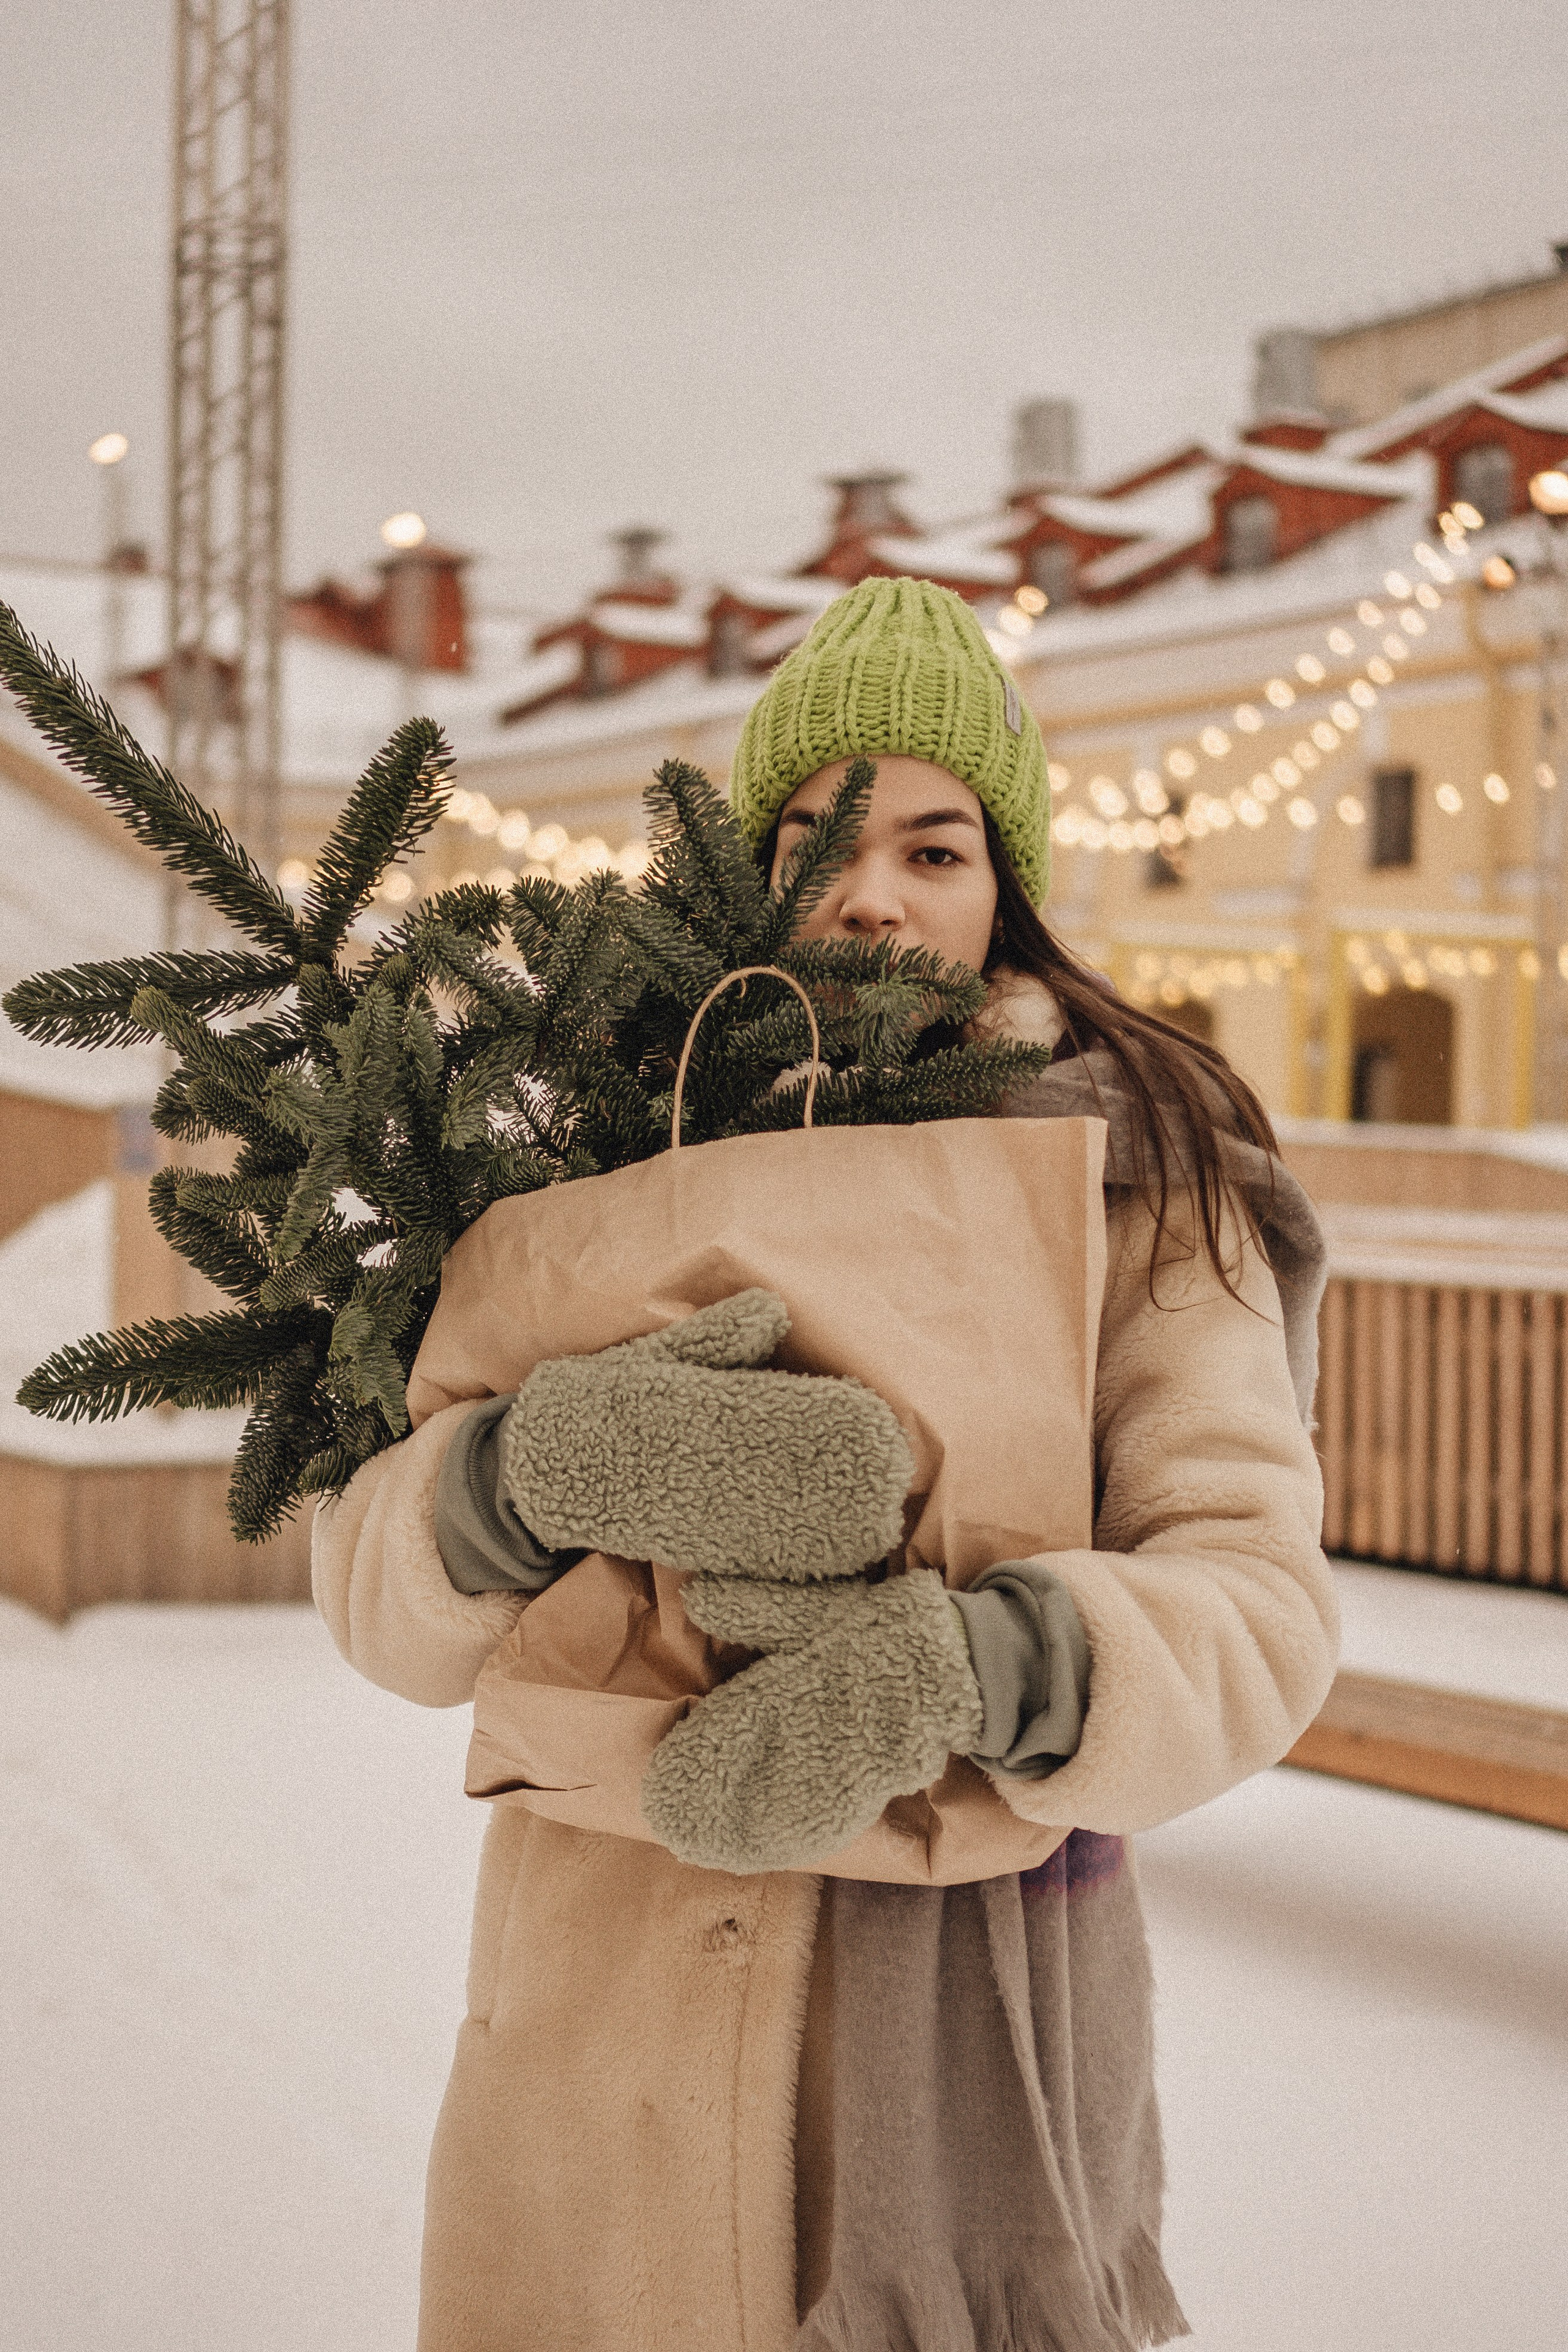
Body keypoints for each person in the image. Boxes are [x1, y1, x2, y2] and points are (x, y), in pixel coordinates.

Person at [314, 576, 1337, 2352]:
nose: (871, 892)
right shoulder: (606, 1141)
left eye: (936, 849)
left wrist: (980, 1666)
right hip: (598, 2036)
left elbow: (1257, 1608)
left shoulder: (1137, 1173)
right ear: (741, 877)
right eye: (813, 838)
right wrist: (522, 1474)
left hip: (962, 2048)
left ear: (1004, 887)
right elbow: (379, 1604)